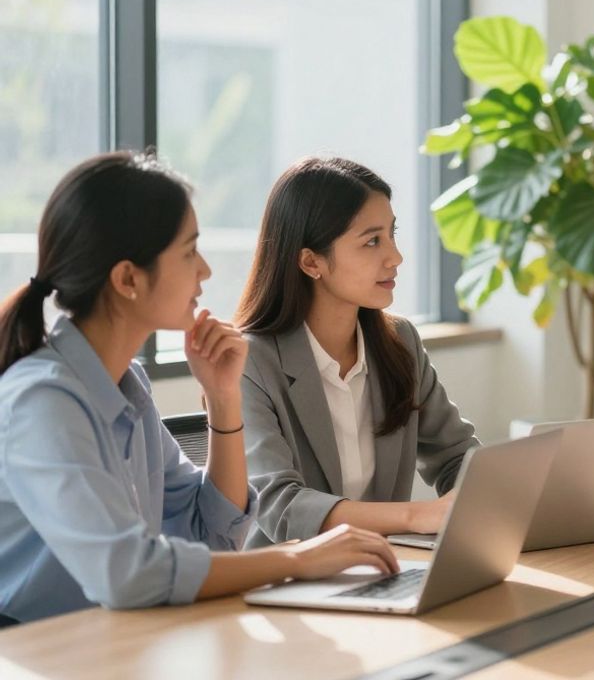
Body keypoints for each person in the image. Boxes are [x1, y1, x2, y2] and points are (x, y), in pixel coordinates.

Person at [0, 152, 398, 624]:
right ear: (128, 278)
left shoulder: (127, 385)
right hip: (33, 650)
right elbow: (127, 574)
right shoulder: (40, 401)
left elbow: (209, 532)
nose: (205, 271)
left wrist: (224, 400)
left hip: (116, 639)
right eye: (189, 252)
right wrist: (299, 559)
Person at [237, 156, 479, 547]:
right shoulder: (250, 361)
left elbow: (455, 455)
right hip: (286, 585)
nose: (395, 257)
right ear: (310, 261)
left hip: (386, 570)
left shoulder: (400, 342)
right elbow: (282, 507)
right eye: (371, 241)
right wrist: (417, 516)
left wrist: (487, 500)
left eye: (392, 234)